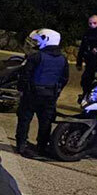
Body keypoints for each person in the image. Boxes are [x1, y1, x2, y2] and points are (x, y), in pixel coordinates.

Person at [15, 29, 69, 158]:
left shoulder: (36, 57)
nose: (37, 43)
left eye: (39, 40)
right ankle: (42, 146)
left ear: (47, 40)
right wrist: (56, 92)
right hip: (50, 95)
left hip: (32, 94)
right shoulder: (62, 59)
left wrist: (22, 89)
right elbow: (64, 78)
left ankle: (22, 145)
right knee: (46, 122)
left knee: (24, 119)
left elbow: (25, 75)